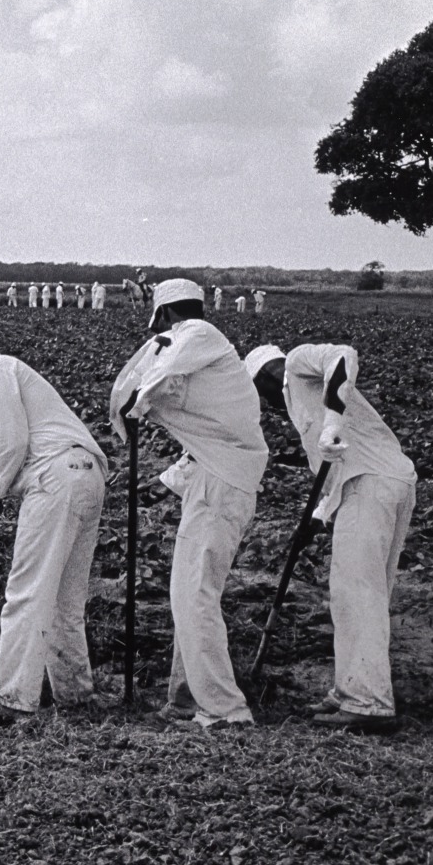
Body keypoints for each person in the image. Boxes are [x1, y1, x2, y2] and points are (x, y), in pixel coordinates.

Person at [109, 279, 267, 729]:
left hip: (223, 484)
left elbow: (157, 377)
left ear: (164, 314)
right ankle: (183, 700)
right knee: (188, 596)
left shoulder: (199, 334)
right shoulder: (201, 355)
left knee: (194, 597)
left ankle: (224, 710)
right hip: (212, 479)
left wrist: (139, 405)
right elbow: (201, 426)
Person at [246, 343, 416, 732]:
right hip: (381, 481)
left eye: (261, 394)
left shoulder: (297, 363)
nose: (267, 405)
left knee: (357, 593)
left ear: (265, 378)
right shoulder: (298, 405)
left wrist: (333, 423)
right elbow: (333, 475)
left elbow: (344, 355)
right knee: (361, 593)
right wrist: (316, 520)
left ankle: (367, 702)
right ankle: (349, 689)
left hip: (372, 482)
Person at [0, 354, 105, 721]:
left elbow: (12, 443)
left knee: (26, 593)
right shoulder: (0, 376)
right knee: (65, 600)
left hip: (55, 480)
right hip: (86, 475)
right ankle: (75, 696)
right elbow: (7, 450)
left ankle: (15, 699)